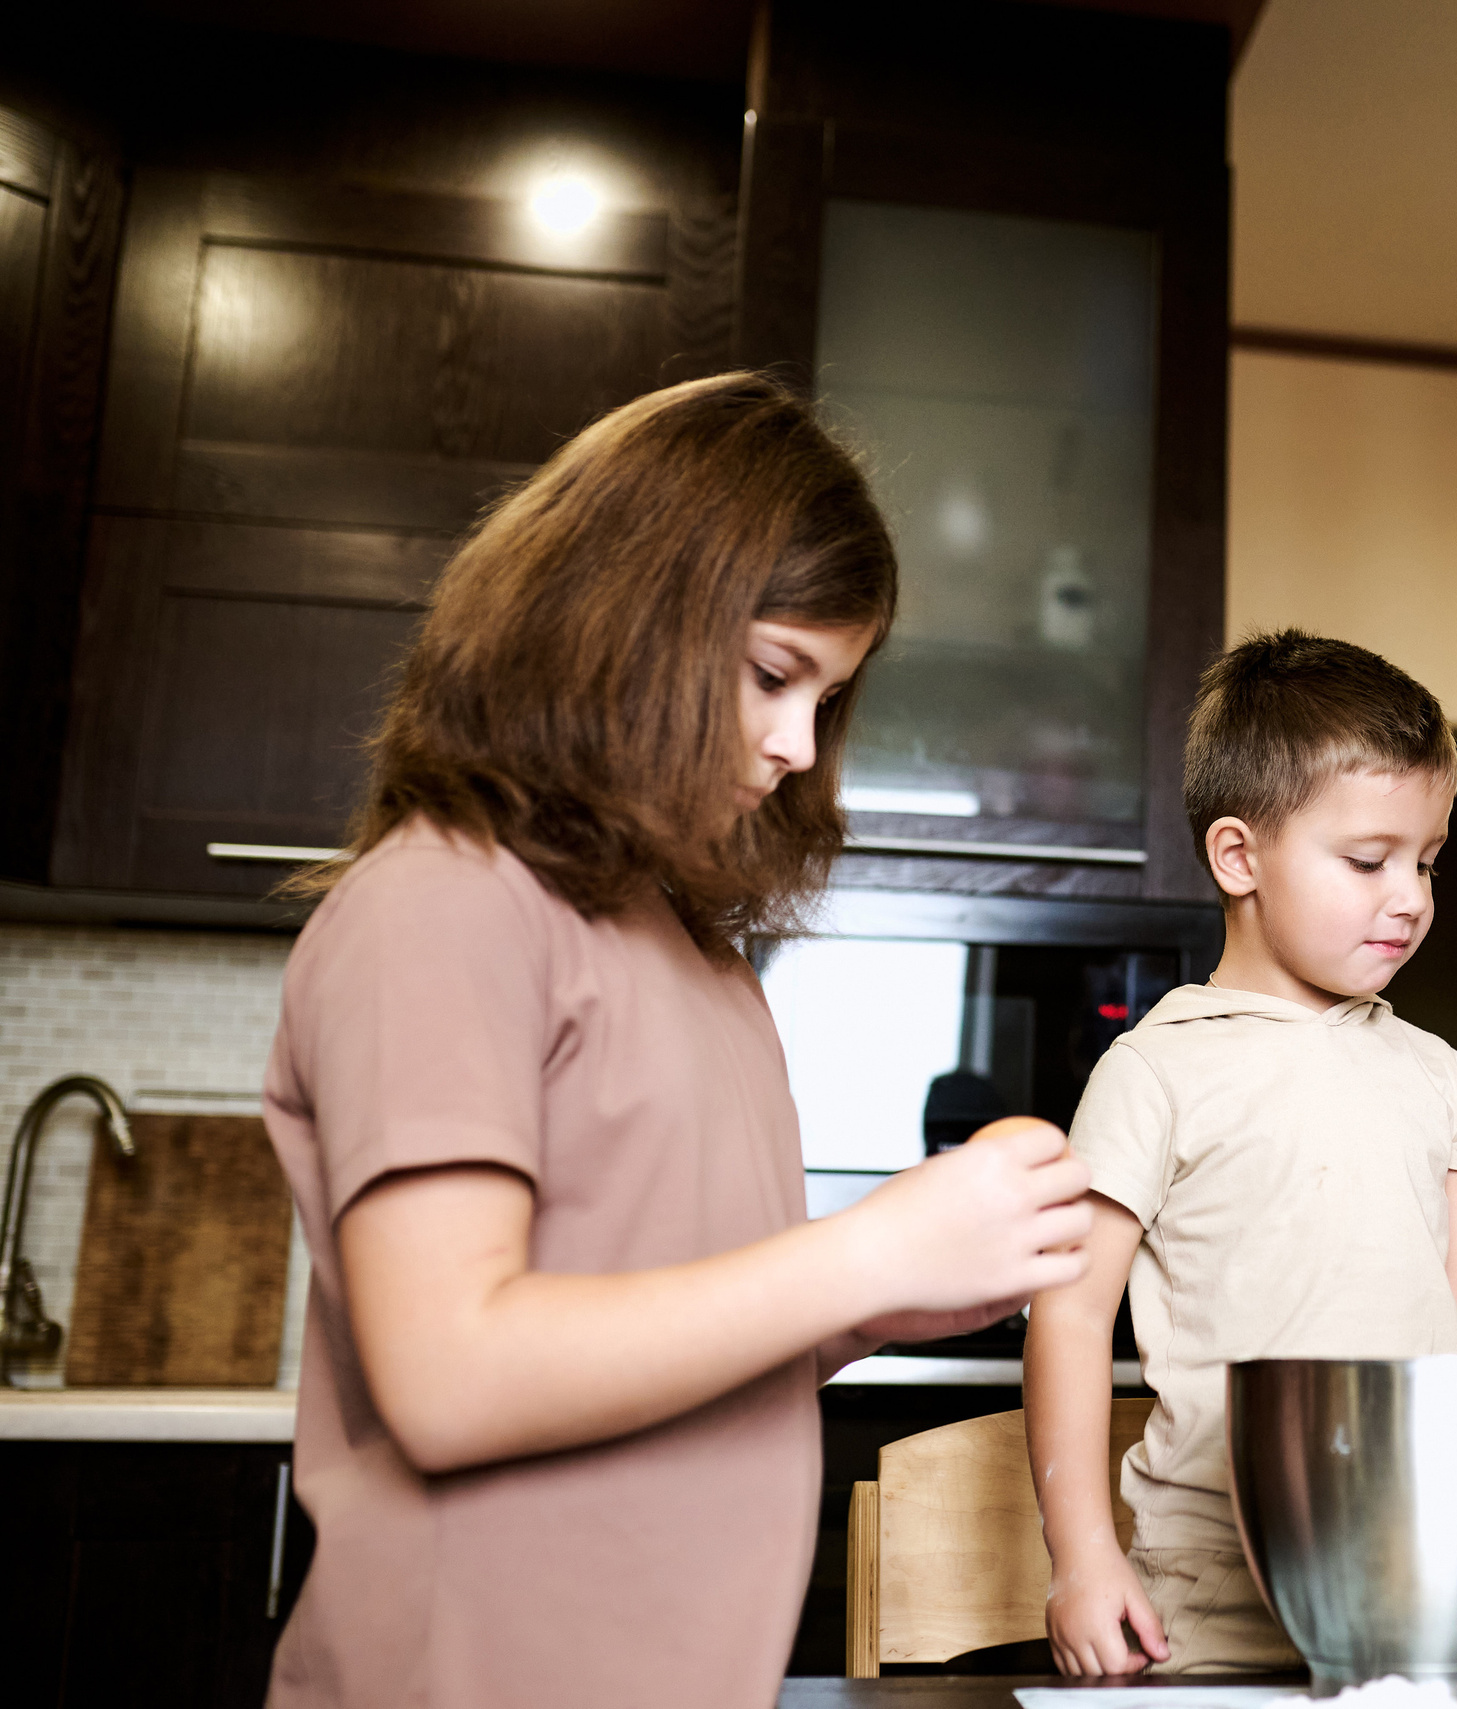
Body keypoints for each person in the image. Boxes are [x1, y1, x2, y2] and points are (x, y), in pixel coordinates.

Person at [260, 373, 1094, 1709]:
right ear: (624, 620)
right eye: (774, 674)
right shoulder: (442, 902)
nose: (794, 743)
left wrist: (890, 1294)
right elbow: (451, 1372)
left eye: (828, 698)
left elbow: (679, 1330)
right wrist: (864, 1252)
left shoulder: (705, 962)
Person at [1025, 630, 1457, 1675]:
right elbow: (1070, 1314)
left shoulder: (1438, 1073)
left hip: (1417, 1572)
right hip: (1206, 1584)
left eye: (1426, 861)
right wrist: (1082, 1553)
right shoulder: (1155, 1069)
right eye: (1367, 859)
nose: (1410, 895)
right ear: (1238, 856)